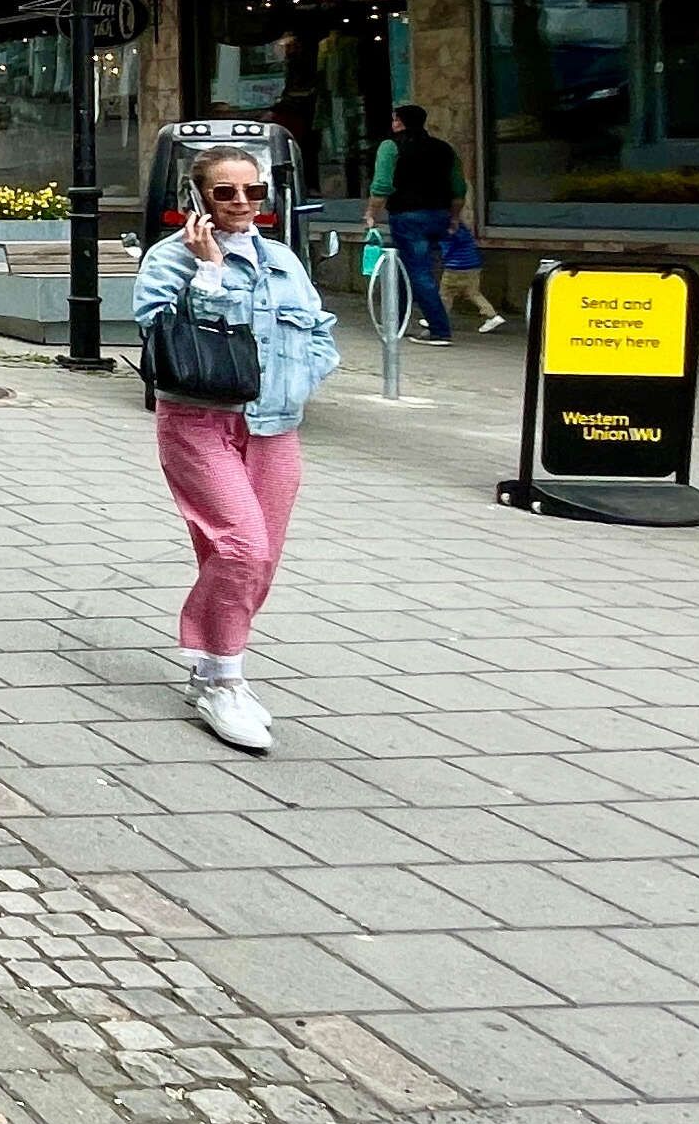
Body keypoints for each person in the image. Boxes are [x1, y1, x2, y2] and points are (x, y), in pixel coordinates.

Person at [132, 144, 340, 757]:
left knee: (260, 557)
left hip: (276, 426)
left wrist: (305, 377)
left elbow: (320, 329)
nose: (243, 204)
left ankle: (211, 668)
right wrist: (212, 273)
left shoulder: (282, 259)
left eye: (254, 192)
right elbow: (156, 330)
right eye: (226, 192)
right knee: (241, 546)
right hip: (200, 421)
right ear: (197, 197)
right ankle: (224, 677)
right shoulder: (170, 260)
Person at [366, 102, 467, 344]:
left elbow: (382, 185)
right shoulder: (444, 149)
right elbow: (459, 188)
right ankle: (396, 320)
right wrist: (454, 217)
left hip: (408, 216)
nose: (392, 124)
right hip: (439, 215)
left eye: (394, 120)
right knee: (404, 266)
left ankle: (439, 329)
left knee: (419, 271)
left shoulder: (391, 147)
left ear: (399, 122)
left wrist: (371, 213)